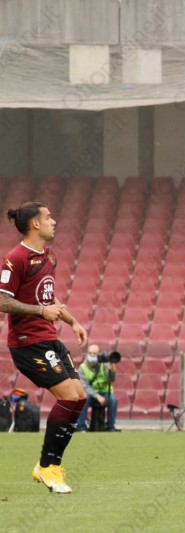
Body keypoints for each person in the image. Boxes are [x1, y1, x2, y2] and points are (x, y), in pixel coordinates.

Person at [0, 202, 88, 493]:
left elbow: (49, 297)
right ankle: (48, 466)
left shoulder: (49, 256)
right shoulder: (15, 258)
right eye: (48, 217)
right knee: (69, 396)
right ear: (35, 224)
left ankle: (51, 466)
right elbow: (2, 300)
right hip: (28, 343)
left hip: (49, 338)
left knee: (79, 398)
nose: (54, 221)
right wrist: (40, 311)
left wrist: (72, 321)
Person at [75, 344, 119, 432]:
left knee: (114, 400)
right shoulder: (83, 367)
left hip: (105, 392)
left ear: (98, 354)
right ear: (87, 354)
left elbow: (112, 379)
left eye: (94, 353)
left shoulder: (104, 364)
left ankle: (110, 427)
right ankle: (81, 427)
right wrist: (97, 396)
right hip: (91, 395)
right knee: (83, 399)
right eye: (90, 353)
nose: (92, 355)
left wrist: (112, 368)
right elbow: (85, 386)